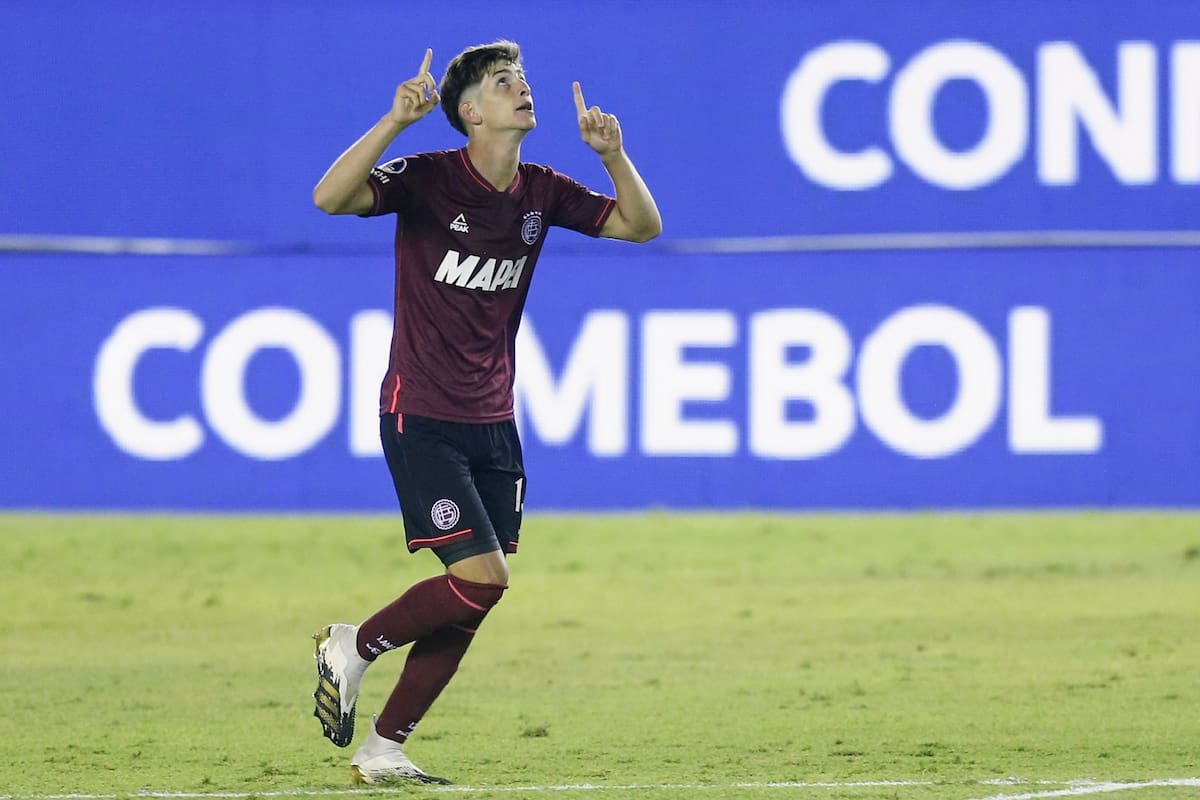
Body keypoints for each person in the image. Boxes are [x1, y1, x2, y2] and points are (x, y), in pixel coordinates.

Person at [308, 41, 661, 786]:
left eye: (524, 81)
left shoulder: (541, 191)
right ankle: (355, 642)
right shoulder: (429, 178)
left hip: (494, 421)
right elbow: (329, 198)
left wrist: (613, 156)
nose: (523, 91)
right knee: (483, 578)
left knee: (471, 601)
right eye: (506, 83)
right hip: (421, 413)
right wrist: (392, 123)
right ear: (470, 112)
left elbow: (640, 226)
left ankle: (384, 748)